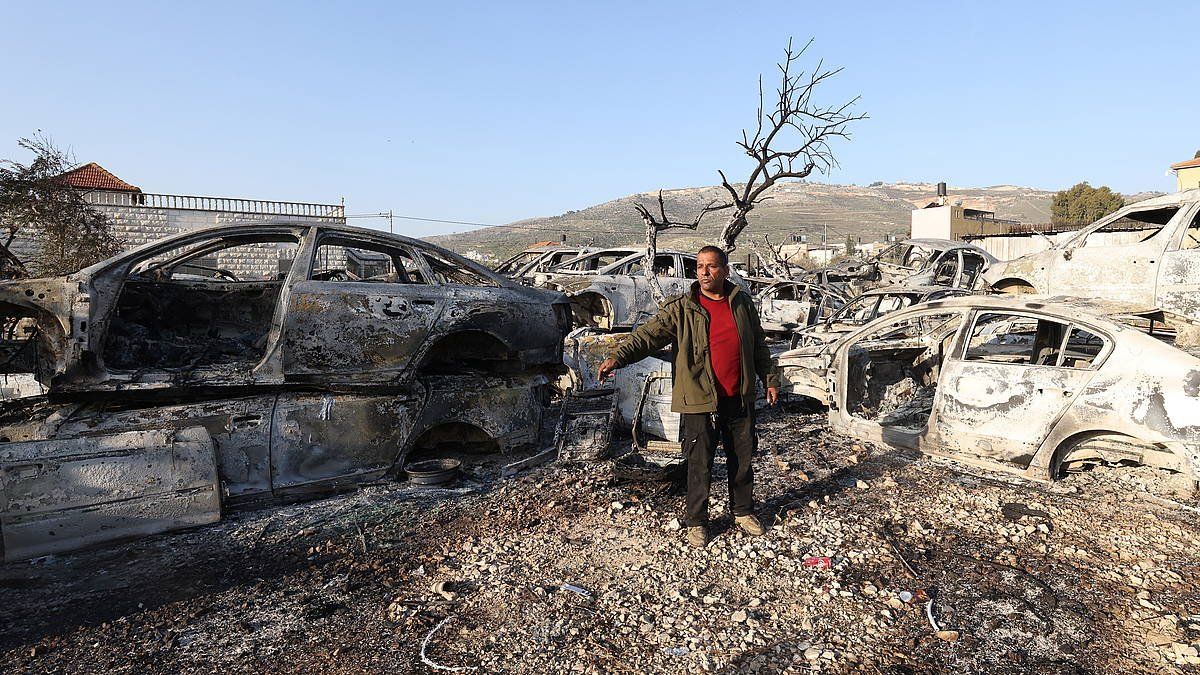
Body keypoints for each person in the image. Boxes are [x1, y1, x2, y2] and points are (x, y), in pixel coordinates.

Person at [597, 245, 779, 548]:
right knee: (700, 462)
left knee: (743, 458)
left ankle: (743, 511)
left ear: (726, 270)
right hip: (700, 399)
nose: (705, 272)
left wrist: (770, 379)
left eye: (712, 266)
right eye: (700, 267)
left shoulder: (741, 303)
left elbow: (758, 344)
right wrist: (618, 357)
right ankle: (697, 521)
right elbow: (647, 335)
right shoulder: (682, 307)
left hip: (739, 395)